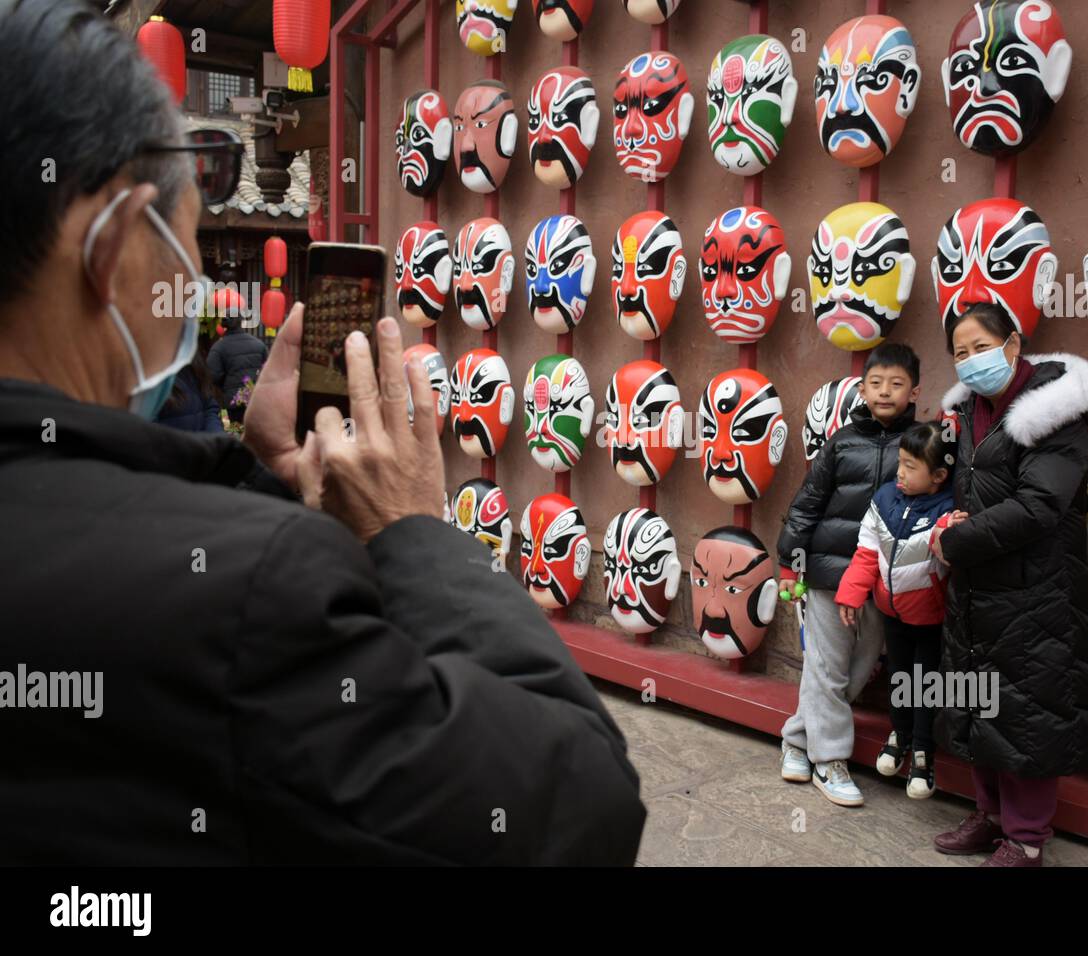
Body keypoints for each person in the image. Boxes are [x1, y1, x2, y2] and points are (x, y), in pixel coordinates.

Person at [0, 0, 644, 865]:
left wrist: (267, 476)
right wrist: (409, 529)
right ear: (112, 250)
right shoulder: (246, 594)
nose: (187, 294)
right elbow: (579, 805)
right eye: (183, 256)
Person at [928, 303, 1088, 867]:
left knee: (1027, 711)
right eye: (959, 352)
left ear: (1012, 343)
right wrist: (952, 525)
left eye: (980, 346)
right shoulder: (966, 413)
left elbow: (1039, 506)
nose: (971, 360)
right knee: (978, 702)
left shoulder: (1053, 415)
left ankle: (1026, 841)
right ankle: (992, 816)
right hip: (976, 586)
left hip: (1035, 590)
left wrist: (958, 541)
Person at [776, 343, 920, 808]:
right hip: (828, 573)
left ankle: (797, 738)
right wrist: (789, 562)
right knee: (826, 664)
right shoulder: (841, 443)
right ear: (862, 389)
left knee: (857, 669)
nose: (885, 392)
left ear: (914, 390)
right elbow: (807, 504)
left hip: (885, 578)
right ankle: (829, 759)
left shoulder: (921, 442)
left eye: (896, 384)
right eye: (876, 383)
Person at [835, 421, 956, 801]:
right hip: (893, 615)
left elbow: (951, 552)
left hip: (930, 620)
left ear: (938, 476)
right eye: (900, 463)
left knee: (925, 686)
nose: (900, 473)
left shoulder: (949, 508)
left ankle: (923, 752)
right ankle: (900, 736)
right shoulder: (885, 498)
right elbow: (867, 551)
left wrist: (950, 533)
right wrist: (851, 593)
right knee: (898, 678)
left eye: (911, 467)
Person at [207, 313, 267, 423]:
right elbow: (267, 371)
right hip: (256, 399)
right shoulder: (259, 344)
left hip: (232, 402)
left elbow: (212, 376)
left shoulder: (218, 347)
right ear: (241, 322)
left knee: (236, 432)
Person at [157, 353, 224, 433]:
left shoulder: (192, 359)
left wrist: (217, 436)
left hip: (204, 442)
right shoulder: (150, 370)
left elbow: (209, 406)